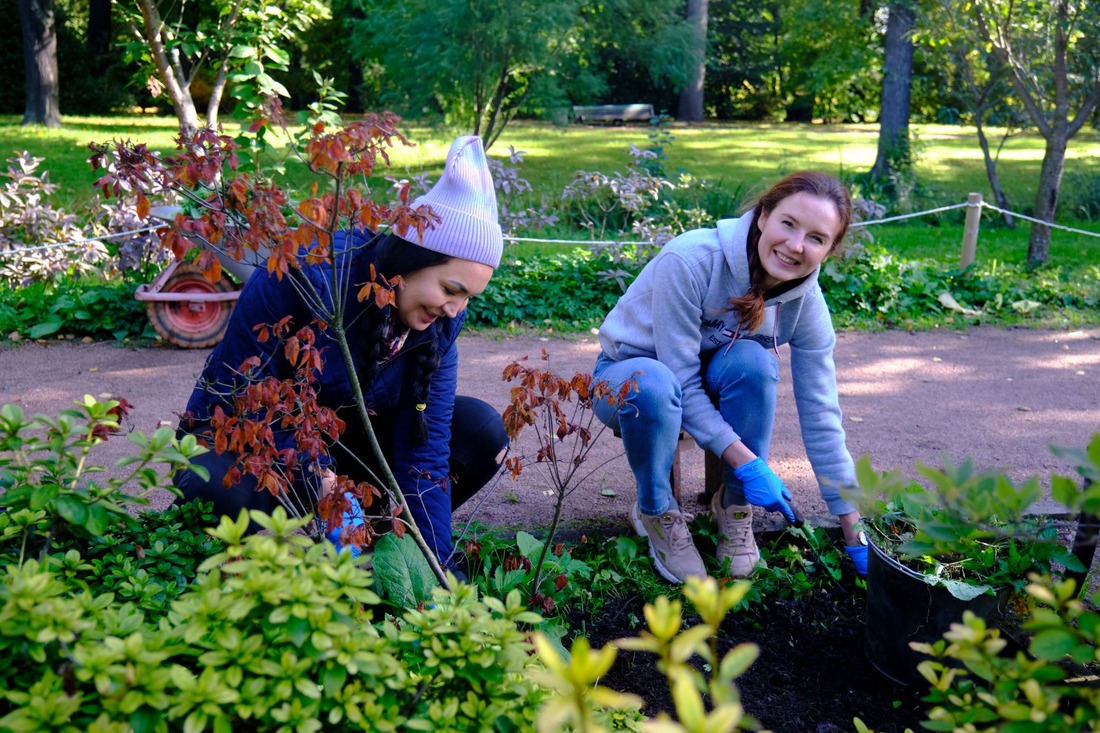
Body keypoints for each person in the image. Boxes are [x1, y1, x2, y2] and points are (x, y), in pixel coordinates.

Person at [172, 135, 509, 573]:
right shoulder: (302, 279)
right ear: (409, 260)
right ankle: (232, 563)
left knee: (480, 431)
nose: (454, 309)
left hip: (347, 447)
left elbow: (423, 452)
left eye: (468, 299)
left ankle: (387, 553)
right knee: (219, 483)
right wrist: (322, 479)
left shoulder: (439, 323)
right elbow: (244, 396)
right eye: (451, 289)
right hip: (254, 438)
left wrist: (435, 569)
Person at [592, 170, 868, 583]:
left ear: (828, 251)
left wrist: (852, 528)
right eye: (788, 224)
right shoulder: (690, 260)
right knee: (656, 384)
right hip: (628, 380)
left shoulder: (806, 304)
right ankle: (655, 510)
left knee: (755, 364)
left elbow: (822, 412)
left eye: (816, 238)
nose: (795, 245)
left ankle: (734, 508)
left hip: (702, 381)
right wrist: (750, 464)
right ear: (763, 216)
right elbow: (680, 381)